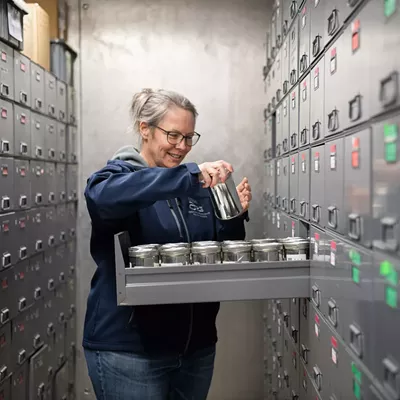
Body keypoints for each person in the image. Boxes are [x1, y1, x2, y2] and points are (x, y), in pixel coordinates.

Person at [83, 88, 252, 400]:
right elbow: (101, 199)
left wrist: (232, 216)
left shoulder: (195, 186)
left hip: (195, 349)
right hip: (131, 353)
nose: (182, 147)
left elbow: (219, 250)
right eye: (173, 135)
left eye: (189, 138)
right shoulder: (117, 178)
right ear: (144, 129)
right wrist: (189, 176)